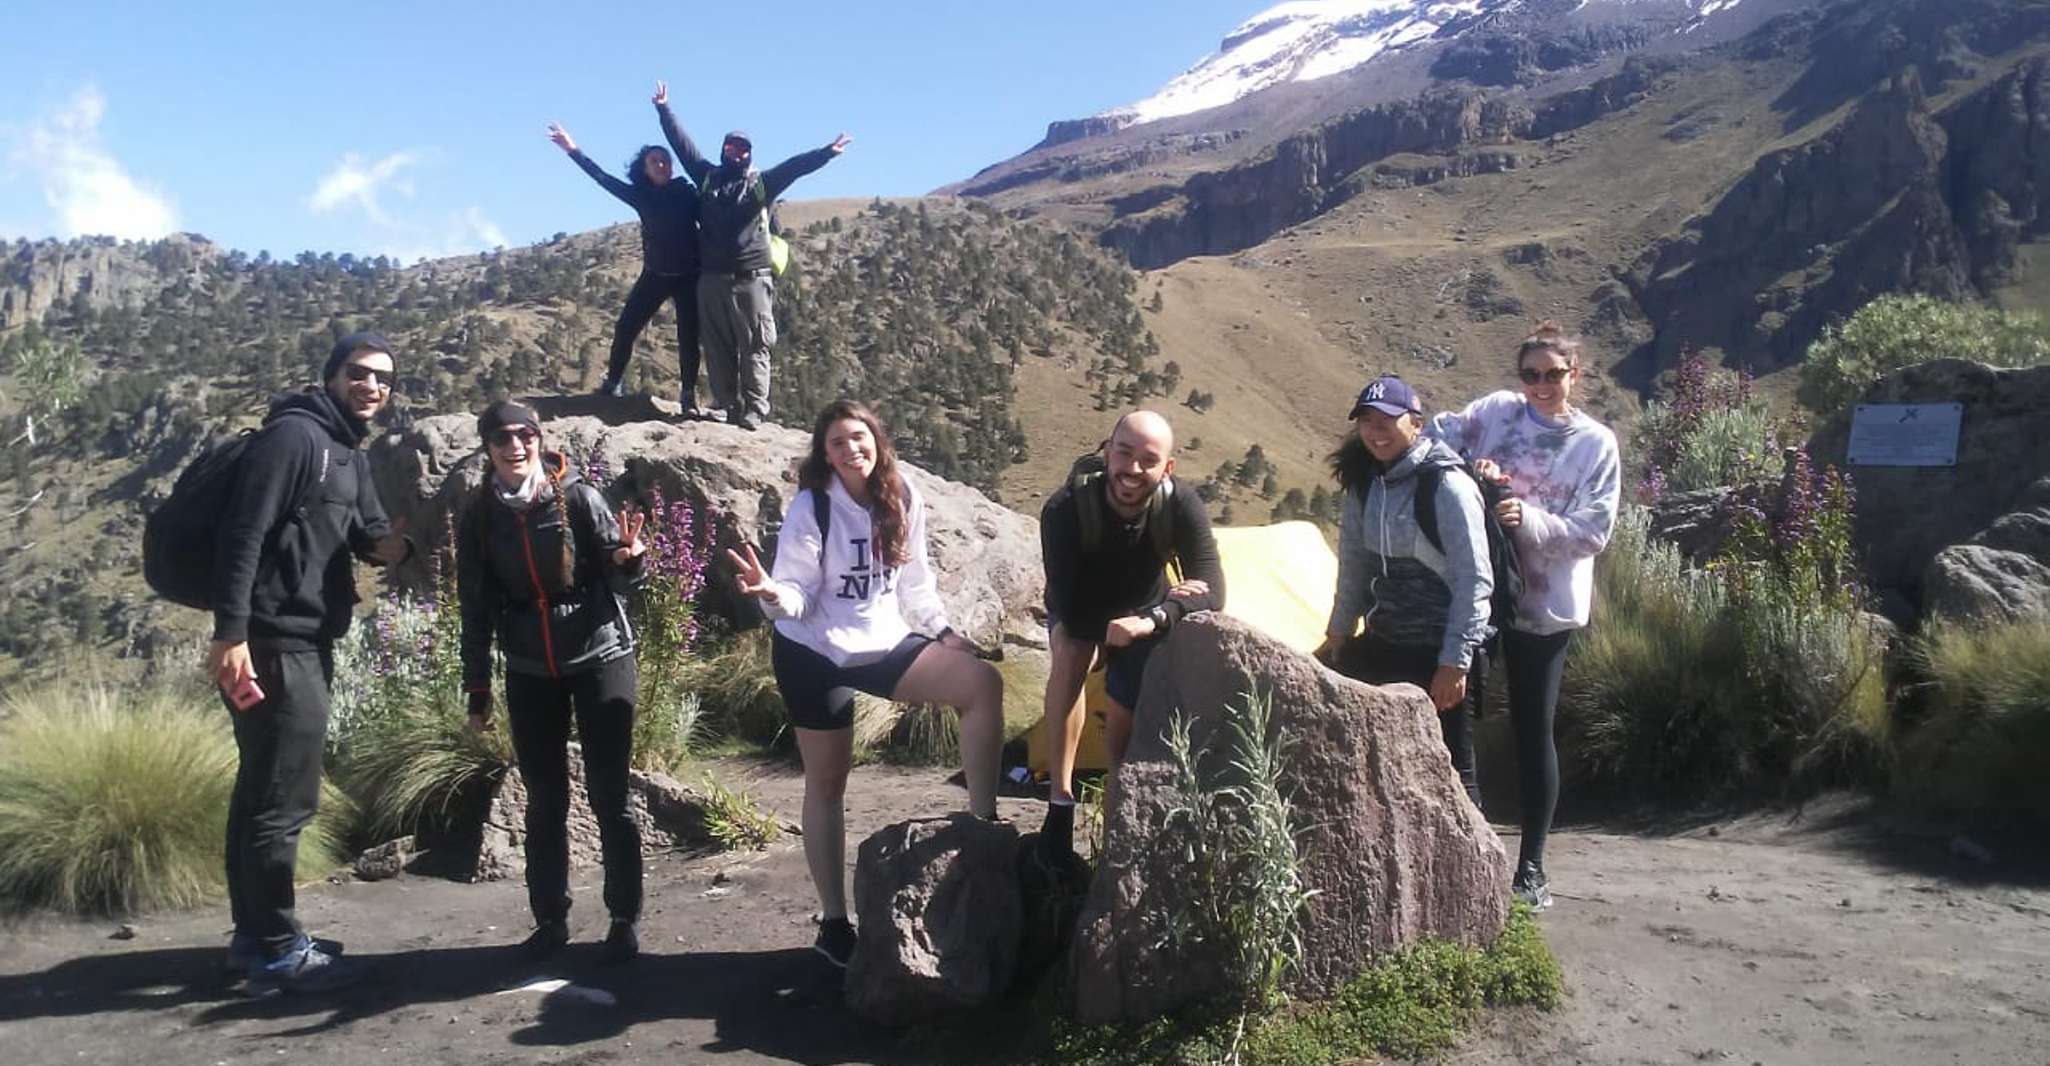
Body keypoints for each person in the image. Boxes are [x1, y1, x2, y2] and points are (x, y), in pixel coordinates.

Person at [726, 400, 1002, 968]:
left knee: (981, 685)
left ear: (876, 439)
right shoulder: (814, 507)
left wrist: (945, 631)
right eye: (837, 443)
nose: (851, 450)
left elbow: (916, 583)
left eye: (858, 438)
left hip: (882, 642)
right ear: (824, 454)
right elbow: (799, 596)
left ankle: (982, 829)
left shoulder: (903, 497)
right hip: (813, 652)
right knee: (827, 785)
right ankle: (833, 922)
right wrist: (774, 594)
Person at [209, 330, 412, 995]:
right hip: (272, 643)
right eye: (359, 373)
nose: (372, 386)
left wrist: (415, 539)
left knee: (261, 788)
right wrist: (230, 634)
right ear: (331, 376)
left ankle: (252, 936)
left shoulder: (350, 455)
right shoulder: (294, 439)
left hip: (306, 641)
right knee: (284, 797)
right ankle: (276, 947)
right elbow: (245, 532)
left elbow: (372, 541)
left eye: (383, 379)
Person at [1426, 322, 1621, 911]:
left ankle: (1531, 866)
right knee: (1453, 717)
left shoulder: (1596, 444)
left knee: (1532, 730)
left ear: (1574, 376)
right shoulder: (1496, 412)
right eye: (1530, 374)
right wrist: (1468, 470)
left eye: (1553, 375)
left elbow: (1595, 531)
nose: (1540, 386)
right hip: (1479, 593)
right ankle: (1464, 848)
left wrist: (1527, 518)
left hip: (1543, 605)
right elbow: (1440, 436)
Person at [457, 401, 650, 963]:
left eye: (523, 435)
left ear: (539, 440)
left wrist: (630, 562)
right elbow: (475, 605)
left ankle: (623, 918)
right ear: (487, 448)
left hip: (599, 656)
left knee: (610, 794)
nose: (514, 446)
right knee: (544, 800)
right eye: (501, 438)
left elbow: (619, 574)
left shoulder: (580, 499)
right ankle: (550, 919)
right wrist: (477, 689)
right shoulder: (480, 516)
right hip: (527, 667)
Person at [1036, 410, 1224, 861]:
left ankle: (1122, 826)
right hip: (1082, 613)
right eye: (1124, 453)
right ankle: (1059, 805)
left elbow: (1214, 589)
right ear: (1107, 450)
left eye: (1148, 459)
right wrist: (1111, 635)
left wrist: (1156, 618)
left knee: (1125, 724)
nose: (1133, 470)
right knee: (1070, 652)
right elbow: (1072, 608)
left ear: (1167, 468)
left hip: (1145, 616)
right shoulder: (1064, 510)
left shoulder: (1179, 504)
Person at [1315, 375, 1492, 810]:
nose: (1376, 431)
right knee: (1378, 765)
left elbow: (1475, 579)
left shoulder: (1447, 486)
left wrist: (1455, 661)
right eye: (1367, 420)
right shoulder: (1364, 482)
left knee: (1452, 773)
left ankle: (1481, 875)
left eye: (1387, 421)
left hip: (1437, 653)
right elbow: (1353, 567)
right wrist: (1337, 636)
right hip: (1383, 644)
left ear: (1416, 423)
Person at [653, 81, 851, 430]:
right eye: (731, 146)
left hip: (752, 278)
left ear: (750, 153)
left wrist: (827, 153)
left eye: (743, 148)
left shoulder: (760, 184)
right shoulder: (706, 178)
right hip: (711, 277)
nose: (737, 152)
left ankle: (755, 409)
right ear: (723, 149)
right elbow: (682, 147)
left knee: (756, 345)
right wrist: (664, 109)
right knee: (717, 346)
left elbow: (793, 167)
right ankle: (726, 404)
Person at [546, 108, 704, 412]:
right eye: (654, 161)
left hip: (688, 276)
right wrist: (572, 150)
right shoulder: (639, 196)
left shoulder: (687, 193)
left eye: (665, 160)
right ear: (645, 168)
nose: (661, 164)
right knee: (625, 328)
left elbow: (716, 214)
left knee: (688, 337)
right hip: (655, 274)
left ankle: (688, 396)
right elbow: (602, 178)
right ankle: (613, 383)